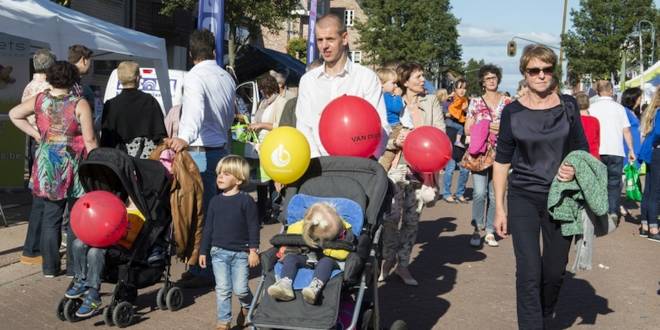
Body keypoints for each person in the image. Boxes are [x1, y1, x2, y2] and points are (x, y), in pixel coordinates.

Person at [492, 44, 589, 329]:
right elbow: (502, 160)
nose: (541, 75)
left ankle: (546, 312)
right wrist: (499, 208)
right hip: (523, 195)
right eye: (535, 70)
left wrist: (574, 166)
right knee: (528, 271)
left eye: (547, 70)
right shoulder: (513, 113)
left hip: (561, 198)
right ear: (524, 74)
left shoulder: (569, 106)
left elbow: (581, 149)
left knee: (554, 271)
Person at [9, 61, 98, 277]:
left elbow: (14, 114)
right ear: (73, 79)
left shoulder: (41, 100)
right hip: (74, 164)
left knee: (51, 216)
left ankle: (49, 267)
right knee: (76, 216)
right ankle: (75, 268)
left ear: (50, 78)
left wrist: (36, 134)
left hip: (47, 161)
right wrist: (97, 163)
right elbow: (90, 139)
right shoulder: (79, 103)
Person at [168, 29, 236, 287]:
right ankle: (210, 266)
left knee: (197, 215)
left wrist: (184, 137)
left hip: (200, 153)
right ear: (214, 51)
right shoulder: (225, 76)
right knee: (216, 214)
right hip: (220, 150)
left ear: (190, 54)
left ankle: (201, 269)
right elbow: (230, 116)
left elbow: (194, 111)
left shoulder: (195, 76)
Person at [380, 62, 445, 286]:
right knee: (391, 216)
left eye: (422, 76)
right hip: (397, 164)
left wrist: (421, 140)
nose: (422, 80)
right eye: (418, 76)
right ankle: (388, 257)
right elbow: (380, 131)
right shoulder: (390, 100)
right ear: (405, 80)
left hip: (422, 168)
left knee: (411, 219)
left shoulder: (431, 101)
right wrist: (394, 141)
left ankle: (403, 265)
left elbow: (440, 132)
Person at [295, 14, 390, 158]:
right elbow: (304, 126)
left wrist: (369, 161)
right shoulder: (308, 81)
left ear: (344, 38)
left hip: (358, 166)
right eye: (320, 40)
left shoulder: (365, 78)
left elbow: (381, 127)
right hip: (320, 168)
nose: (324, 46)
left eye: (330, 39)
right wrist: (317, 164)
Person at [198, 155, 260, 330]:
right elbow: (208, 228)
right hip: (218, 253)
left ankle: (248, 304)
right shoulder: (215, 202)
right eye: (219, 173)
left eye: (226, 173)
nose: (220, 176)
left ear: (239, 179)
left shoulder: (246, 201)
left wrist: (254, 250)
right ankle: (223, 321)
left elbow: (253, 227)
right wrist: (203, 251)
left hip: (241, 253)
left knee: (240, 289)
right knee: (223, 289)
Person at [267, 202, 352, 304]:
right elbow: (290, 232)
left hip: (331, 261)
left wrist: (326, 248)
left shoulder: (343, 229)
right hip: (309, 257)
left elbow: (343, 253)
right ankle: (285, 283)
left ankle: (315, 287)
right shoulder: (307, 226)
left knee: (326, 262)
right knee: (291, 257)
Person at [464, 64, 511, 248]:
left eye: (494, 77)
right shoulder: (475, 102)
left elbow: (515, 124)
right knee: (478, 192)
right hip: (481, 152)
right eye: (488, 78)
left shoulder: (508, 101)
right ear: (482, 82)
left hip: (501, 152)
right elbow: (467, 128)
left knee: (495, 193)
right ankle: (477, 228)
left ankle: (490, 231)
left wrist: (503, 128)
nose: (491, 81)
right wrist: (483, 125)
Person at [19, 49, 56, 266]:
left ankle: (34, 247)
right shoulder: (48, 89)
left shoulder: (29, 86)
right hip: (47, 144)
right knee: (45, 199)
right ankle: (34, 248)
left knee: (40, 196)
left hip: (36, 143)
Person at [588, 80, 635, 223]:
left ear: (597, 92)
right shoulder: (619, 108)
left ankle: (598, 211)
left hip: (597, 150)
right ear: (611, 91)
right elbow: (626, 131)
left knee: (598, 182)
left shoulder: (592, 107)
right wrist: (631, 149)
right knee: (614, 184)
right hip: (616, 150)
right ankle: (613, 212)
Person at [101, 61, 167, 159]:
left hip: (119, 161)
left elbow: (106, 139)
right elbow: (160, 135)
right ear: (137, 78)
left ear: (120, 79)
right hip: (146, 162)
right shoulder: (150, 101)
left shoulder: (111, 105)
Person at [250, 73, 288, 223]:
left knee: (272, 180)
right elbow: (257, 119)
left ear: (268, 88)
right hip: (260, 145)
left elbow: (282, 125)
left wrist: (261, 125)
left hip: (273, 145)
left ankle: (273, 210)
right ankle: (261, 210)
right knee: (260, 179)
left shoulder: (281, 102)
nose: (261, 92)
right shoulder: (263, 103)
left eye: (262, 89)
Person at [377, 67, 410, 171]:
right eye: (393, 83)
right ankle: (382, 171)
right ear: (382, 83)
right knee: (389, 154)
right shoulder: (387, 96)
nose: (396, 86)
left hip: (384, 126)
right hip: (394, 127)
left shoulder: (378, 96)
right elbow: (397, 108)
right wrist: (399, 96)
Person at [638, 87, 660, 241]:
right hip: (658, 151)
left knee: (650, 190)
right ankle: (653, 227)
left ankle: (646, 225)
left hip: (652, 152)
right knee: (656, 191)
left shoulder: (654, 110)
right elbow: (658, 132)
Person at [67, 45, 96, 128]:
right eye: (90, 61)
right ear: (84, 60)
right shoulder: (69, 81)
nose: (90, 66)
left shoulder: (68, 78)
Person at [576, 92, 600, 159]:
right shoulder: (595, 121)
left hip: (578, 155)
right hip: (593, 154)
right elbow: (598, 141)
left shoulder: (574, 120)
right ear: (588, 104)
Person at [446, 79, 468, 148]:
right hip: (448, 134)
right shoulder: (450, 99)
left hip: (461, 138)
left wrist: (466, 111)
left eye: (464, 88)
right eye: (460, 88)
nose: (462, 90)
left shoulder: (466, 101)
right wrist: (446, 113)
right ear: (455, 89)